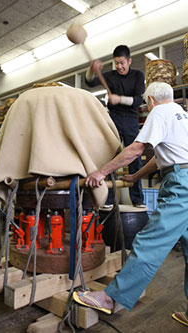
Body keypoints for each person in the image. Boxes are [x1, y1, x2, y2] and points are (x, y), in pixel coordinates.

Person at [73, 81, 188, 327]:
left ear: (152, 101)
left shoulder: (159, 112)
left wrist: (101, 172)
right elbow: (162, 158)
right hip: (184, 176)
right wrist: (135, 177)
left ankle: (109, 298)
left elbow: (136, 149)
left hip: (181, 185)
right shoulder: (182, 116)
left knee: (151, 241)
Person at [85, 45, 145, 207]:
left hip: (132, 119)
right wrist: (92, 70)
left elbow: (139, 100)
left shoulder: (138, 76)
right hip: (113, 119)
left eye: (122, 63)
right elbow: (90, 82)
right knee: (110, 157)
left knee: (134, 159)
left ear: (129, 61)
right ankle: (109, 199)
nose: (119, 66)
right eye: (116, 63)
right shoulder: (111, 76)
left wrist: (119, 99)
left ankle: (137, 199)